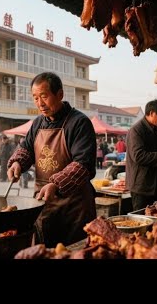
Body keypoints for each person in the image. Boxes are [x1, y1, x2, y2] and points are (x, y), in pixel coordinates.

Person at [7, 72, 96, 247]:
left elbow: (83, 164)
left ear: (60, 94)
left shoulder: (79, 123)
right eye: (35, 98)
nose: (40, 103)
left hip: (75, 207)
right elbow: (26, 148)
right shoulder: (38, 123)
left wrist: (56, 184)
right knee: (45, 249)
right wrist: (18, 162)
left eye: (44, 96)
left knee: (75, 251)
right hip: (44, 203)